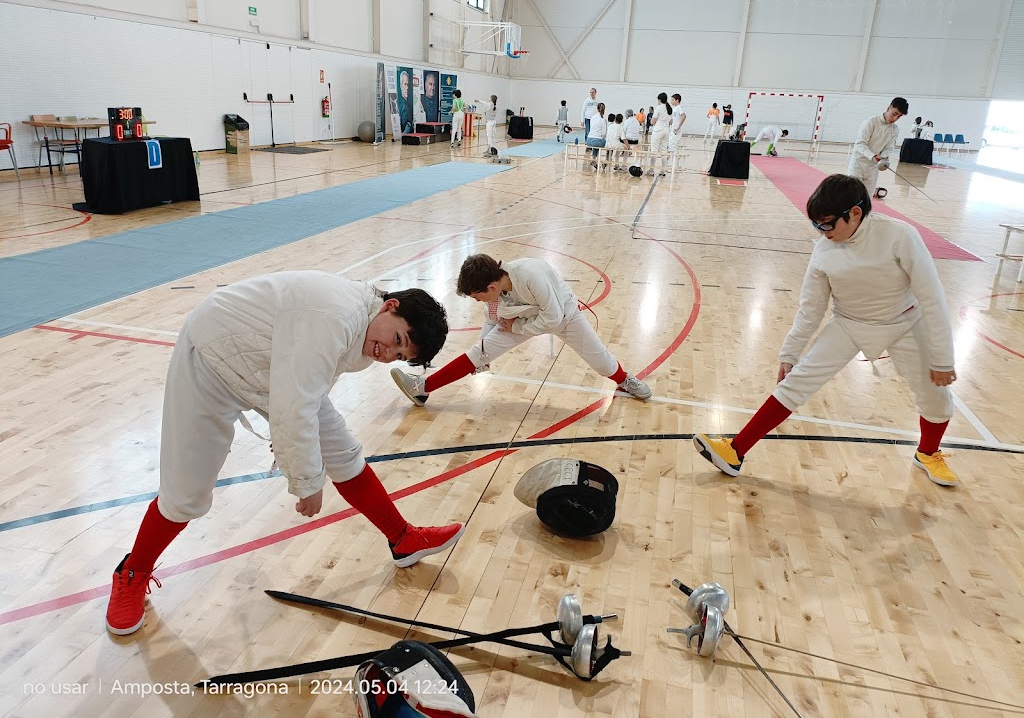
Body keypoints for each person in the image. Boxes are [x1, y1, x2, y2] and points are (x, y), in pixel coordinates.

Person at [104, 272, 464, 636]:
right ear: (390, 306)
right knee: (186, 494)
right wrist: (307, 481)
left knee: (343, 453)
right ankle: (132, 571)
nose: (388, 352)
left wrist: (293, 438)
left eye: (399, 354)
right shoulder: (336, 316)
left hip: (265, 368)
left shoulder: (362, 326)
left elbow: (304, 391)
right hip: (211, 360)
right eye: (396, 339)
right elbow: (296, 404)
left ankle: (402, 539)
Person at [693, 174, 959, 488]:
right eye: (817, 225)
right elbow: (811, 308)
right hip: (849, 323)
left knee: (935, 396)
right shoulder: (823, 251)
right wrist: (789, 354)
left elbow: (932, 296)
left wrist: (943, 360)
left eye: (828, 224)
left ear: (856, 213)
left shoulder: (900, 236)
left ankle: (928, 452)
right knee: (796, 383)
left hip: (905, 321)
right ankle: (735, 450)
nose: (823, 232)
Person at [391, 254, 653, 407]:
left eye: (477, 297)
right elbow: (491, 320)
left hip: (563, 315)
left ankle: (624, 380)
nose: (477, 301)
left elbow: (552, 318)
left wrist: (518, 326)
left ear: (491, 286)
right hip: (518, 319)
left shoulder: (531, 275)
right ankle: (422, 387)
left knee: (599, 358)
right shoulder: (494, 295)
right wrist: (484, 354)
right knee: (478, 352)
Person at [848, 97, 907, 200]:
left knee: (867, 198)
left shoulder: (895, 129)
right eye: (894, 114)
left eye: (899, 116)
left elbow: (889, 148)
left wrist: (883, 158)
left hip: (873, 168)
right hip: (858, 164)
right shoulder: (871, 122)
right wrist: (874, 156)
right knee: (851, 195)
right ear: (888, 108)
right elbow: (860, 144)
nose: (895, 119)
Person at [648, 93, 673, 176]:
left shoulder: (658, 108)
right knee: (663, 151)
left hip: (658, 130)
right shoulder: (669, 108)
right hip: (666, 130)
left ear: (659, 100)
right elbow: (671, 122)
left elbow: (652, 122)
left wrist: (652, 120)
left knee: (654, 150)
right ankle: (663, 171)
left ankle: (651, 170)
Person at [586, 102, 608, 167]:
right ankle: (606, 160)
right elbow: (604, 133)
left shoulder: (593, 117)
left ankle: (593, 159)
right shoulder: (603, 119)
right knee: (609, 144)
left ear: (597, 109)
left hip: (589, 140)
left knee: (597, 145)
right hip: (596, 141)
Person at [397, 68, 414, 135]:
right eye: (405, 84)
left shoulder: (408, 104)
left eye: (408, 84)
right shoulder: (402, 105)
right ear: (401, 86)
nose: (407, 88)